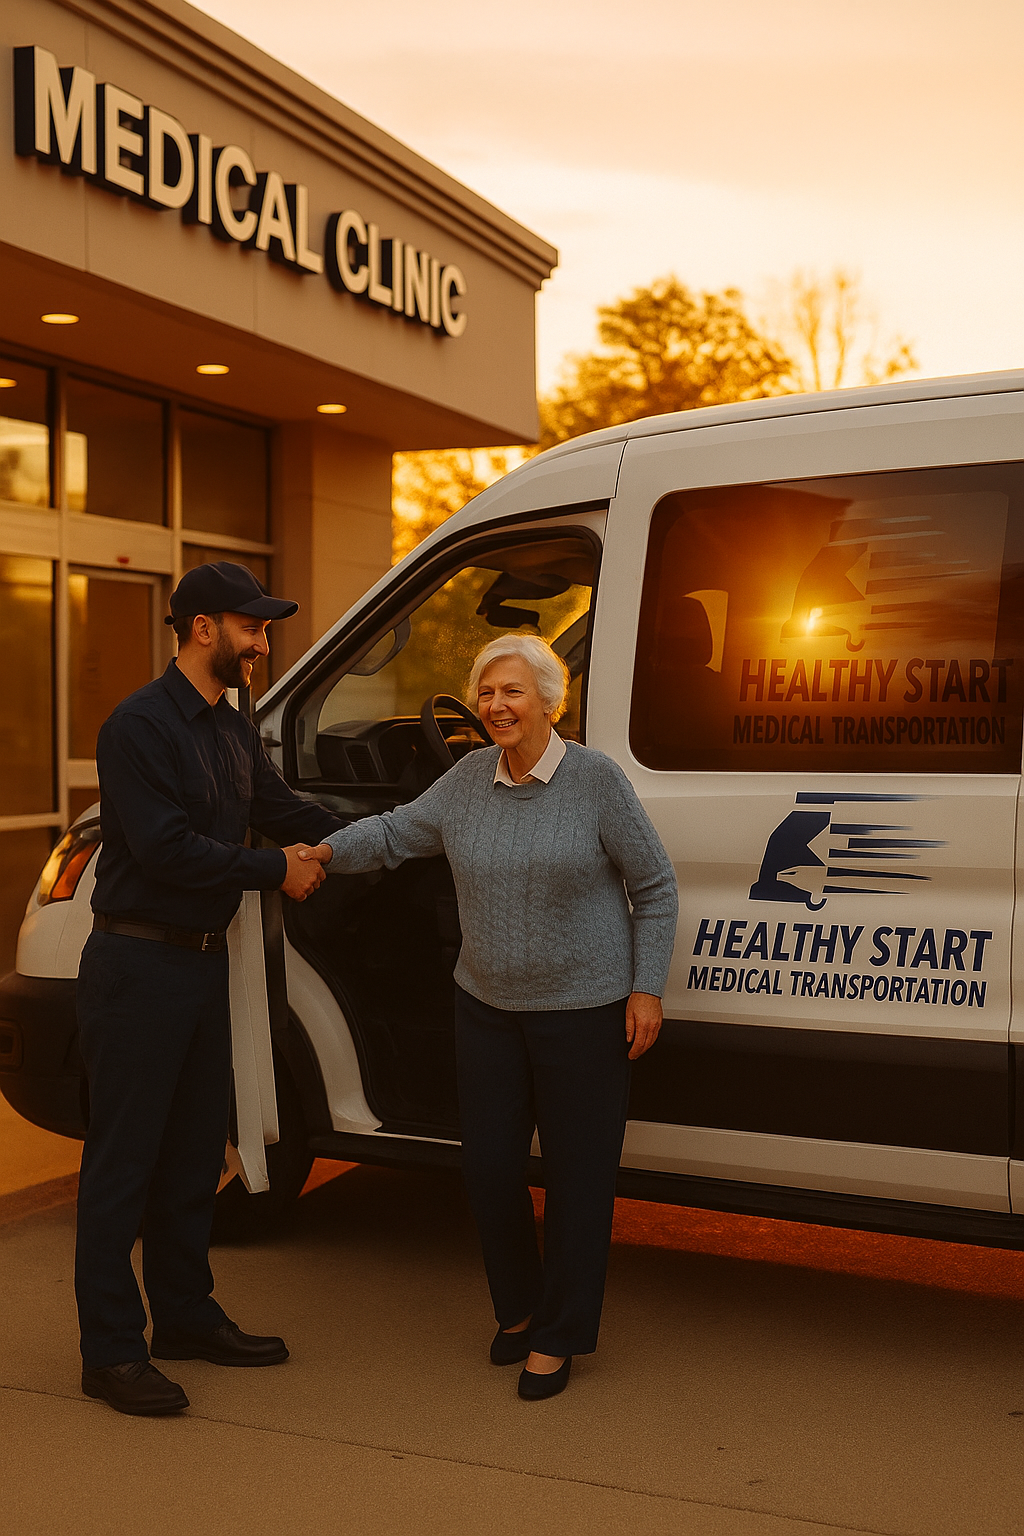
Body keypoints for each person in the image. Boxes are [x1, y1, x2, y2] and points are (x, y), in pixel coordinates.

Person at [303, 633, 678, 1400]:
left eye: (511, 692)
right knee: (489, 1167)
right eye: (485, 692)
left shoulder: (596, 781)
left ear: (549, 699)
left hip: (584, 1011)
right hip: (487, 1008)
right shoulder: (469, 779)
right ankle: (518, 1311)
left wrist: (645, 988)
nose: (496, 706)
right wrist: (322, 853)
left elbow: (656, 886)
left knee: (578, 1179)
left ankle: (560, 1333)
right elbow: (394, 832)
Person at [76, 561, 345, 1417]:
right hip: (137, 968)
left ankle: (185, 1317)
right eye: (251, 628)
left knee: (195, 1153)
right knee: (124, 1166)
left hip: (199, 964)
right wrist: (278, 871)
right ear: (202, 629)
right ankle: (111, 1350)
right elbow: (167, 849)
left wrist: (382, 838)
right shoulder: (139, 727)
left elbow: (283, 806)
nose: (262, 642)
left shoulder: (231, 727)